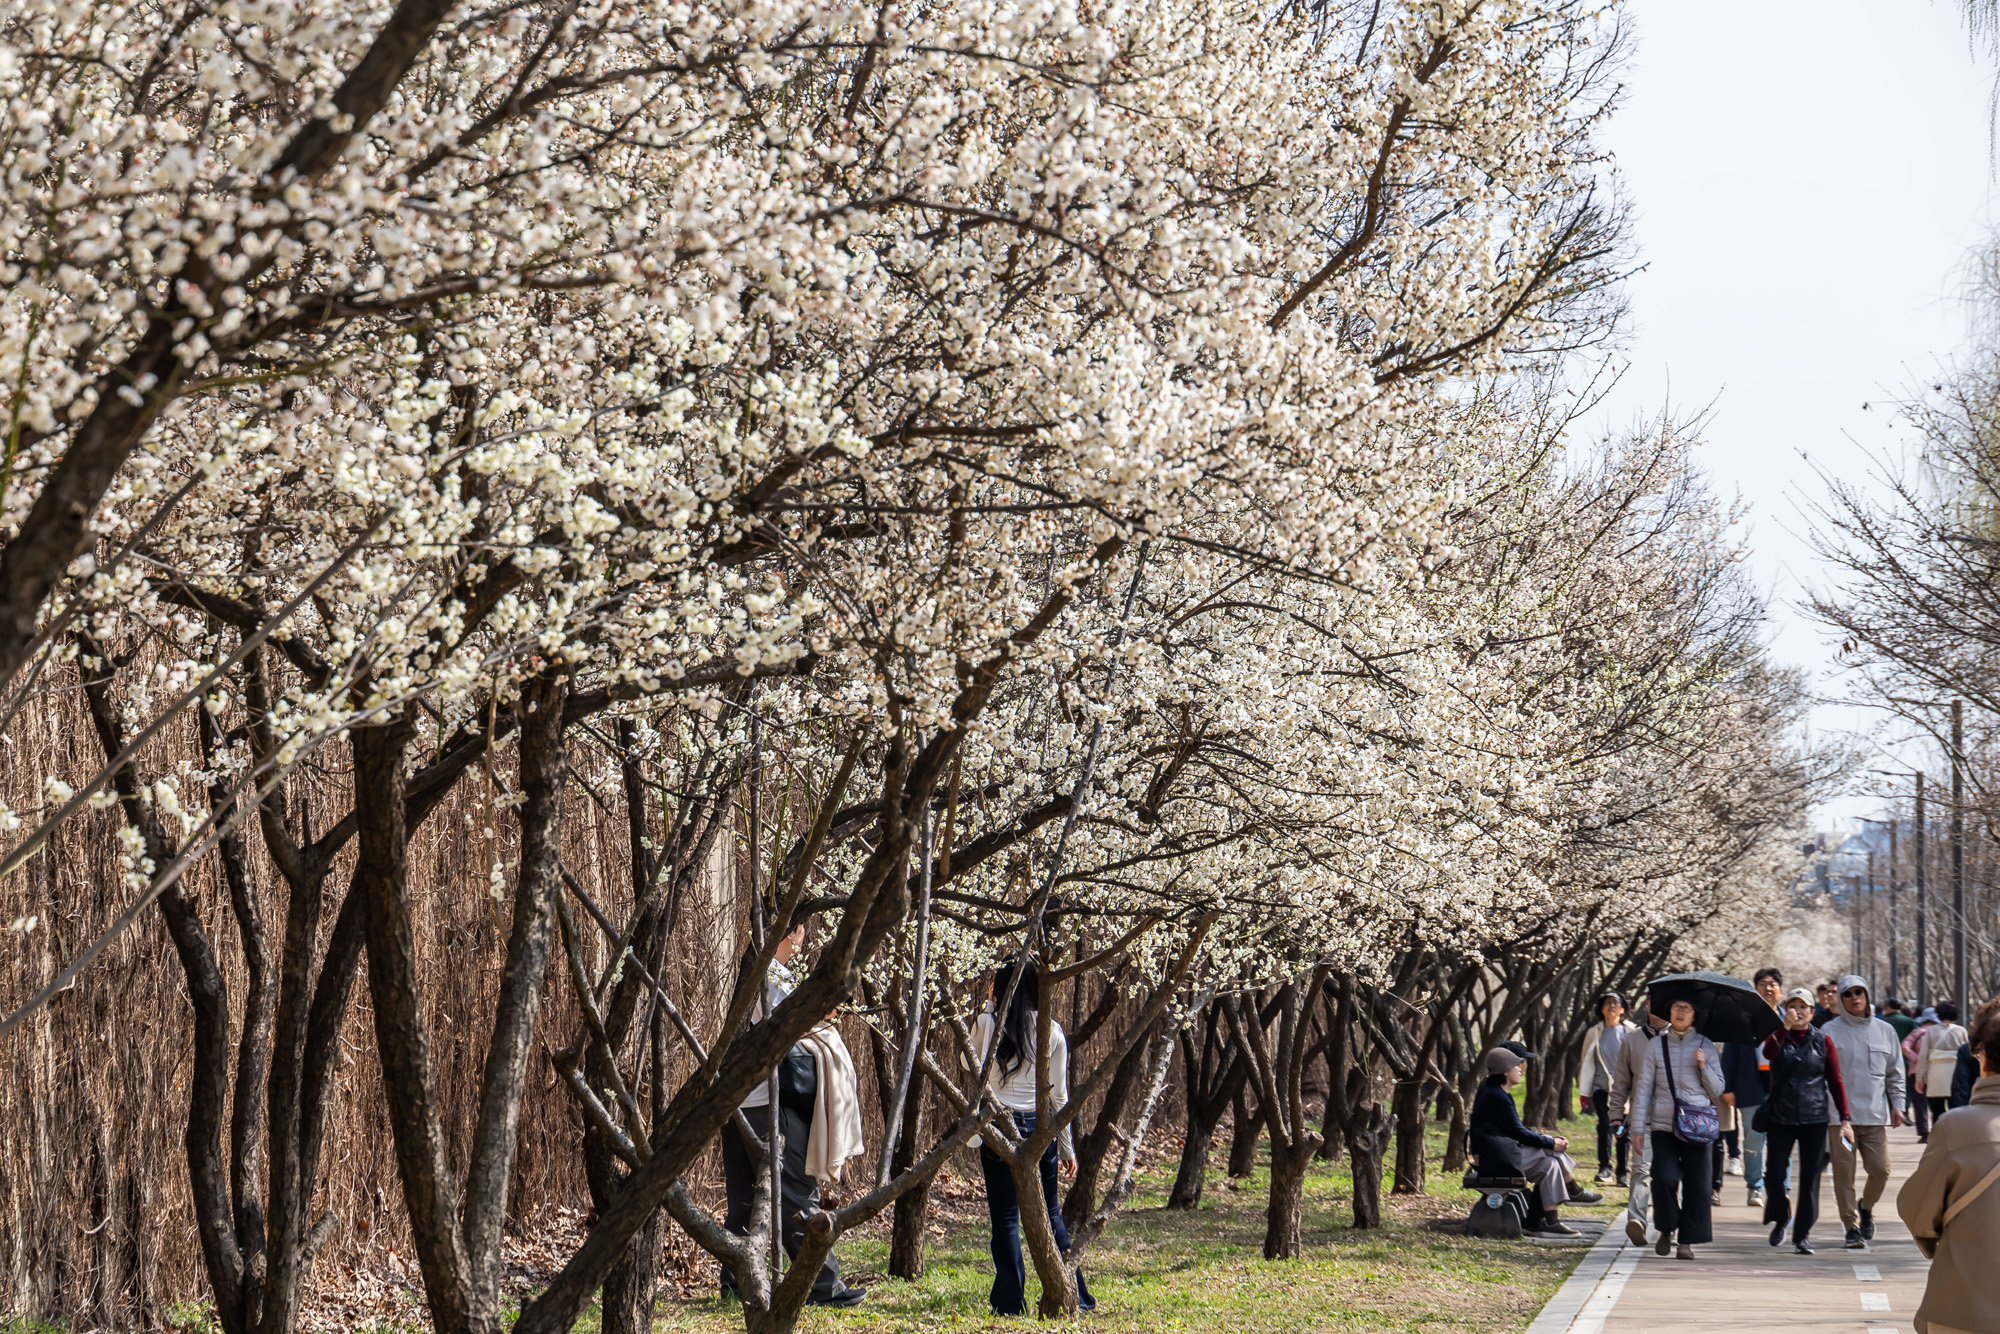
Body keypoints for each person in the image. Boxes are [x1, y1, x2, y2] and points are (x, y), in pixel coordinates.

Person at [719, 923, 868, 1307]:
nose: (804, 939)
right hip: (770, 1105)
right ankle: (822, 1286)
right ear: (792, 931)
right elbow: (795, 1026)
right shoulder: (772, 976)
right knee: (797, 1196)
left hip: (736, 1102)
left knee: (745, 1202)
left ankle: (735, 1286)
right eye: (801, 931)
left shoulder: (752, 971)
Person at [971, 956, 1094, 1316]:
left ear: (1000, 987)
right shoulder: (1051, 1030)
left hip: (996, 1127)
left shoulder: (986, 1022)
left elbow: (969, 1064)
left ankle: (1010, 1303)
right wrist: (1069, 1148)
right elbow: (1060, 1097)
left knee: (1006, 1218)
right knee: (1051, 1214)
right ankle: (1077, 1293)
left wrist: (989, 1008)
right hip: (1040, 1131)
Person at [1900, 996, 2000, 1334]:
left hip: (1963, 1308)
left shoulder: (1957, 1128)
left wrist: (1936, 1243)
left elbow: (1917, 1212)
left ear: (1982, 1059)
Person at [1761, 988, 1855, 1255]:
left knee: (1810, 1180)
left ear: (1813, 1013)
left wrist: (1845, 1118)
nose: (1798, 1011)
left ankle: (1802, 1235)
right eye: (1793, 1006)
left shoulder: (1822, 1042)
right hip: (1781, 1116)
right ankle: (1781, 1216)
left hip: (1814, 1117)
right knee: (1774, 1175)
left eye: (1804, 1007)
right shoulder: (1778, 1038)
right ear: (1786, 1010)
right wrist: (1784, 1028)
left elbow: (1835, 1081)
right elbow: (1768, 1054)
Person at [1631, 998, 1724, 1259]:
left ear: (1695, 1014)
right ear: (1668, 1011)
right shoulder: (1656, 1046)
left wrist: (1703, 1067)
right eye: (1676, 1007)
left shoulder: (1705, 1045)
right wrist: (1637, 1130)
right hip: (1664, 1125)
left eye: (1687, 1008)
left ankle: (1686, 1242)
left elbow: (1717, 1089)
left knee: (1698, 1185)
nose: (1681, 1012)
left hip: (1698, 1125)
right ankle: (1666, 1228)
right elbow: (1643, 1089)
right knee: (1663, 1178)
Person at [1822, 975, 1906, 1250]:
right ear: (1841, 1000)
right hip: (1840, 1120)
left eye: (1860, 992)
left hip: (1873, 1116)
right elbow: (1821, 1075)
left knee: (1880, 1171)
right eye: (1848, 994)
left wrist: (1898, 1104)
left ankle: (1866, 1207)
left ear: (1868, 995)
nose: (1855, 997)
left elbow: (1895, 1073)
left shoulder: (1885, 1031)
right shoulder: (1829, 1031)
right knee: (1844, 1175)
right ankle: (1851, 1226)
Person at [1471, 1046, 1587, 1234]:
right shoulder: (1496, 1096)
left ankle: (1546, 1220)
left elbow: (1516, 1131)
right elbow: (1519, 1132)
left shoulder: (1498, 1092)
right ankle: (1573, 1190)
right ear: (1505, 1071)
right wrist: (1551, 1143)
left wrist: (1549, 1142)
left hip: (1501, 1154)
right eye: (1516, 1065)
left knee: (1550, 1165)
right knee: (1550, 1151)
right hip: (1492, 1159)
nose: (1520, 1069)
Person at [1722, 967, 1782, 1208]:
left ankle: (1781, 1188)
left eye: (1772, 984)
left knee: (1781, 1142)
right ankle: (1755, 1186)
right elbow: (1730, 1054)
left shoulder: (1788, 1018)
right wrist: (1728, 1087)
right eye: (1762, 984)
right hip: (1751, 1086)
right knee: (1754, 1141)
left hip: (1781, 1090)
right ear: (1755, 989)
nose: (1768, 988)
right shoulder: (1743, 1019)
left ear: (1780, 989)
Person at [1579, 991, 1638, 1185]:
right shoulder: (1593, 1032)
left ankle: (1622, 1172)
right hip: (1601, 1087)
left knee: (1622, 1129)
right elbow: (1586, 1062)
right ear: (1601, 1009)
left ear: (1622, 1009)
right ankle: (1604, 1168)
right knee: (1604, 1125)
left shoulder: (1630, 1032)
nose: (1612, 1005)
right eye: (1607, 1003)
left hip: (1625, 1090)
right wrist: (1584, 1091)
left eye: (1616, 1003)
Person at [1918, 1003, 1970, 1126]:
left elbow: (1923, 1055)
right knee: (1957, 1108)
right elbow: (1968, 1053)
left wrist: (1919, 1077)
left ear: (1939, 1015)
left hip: (1936, 1074)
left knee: (1937, 1110)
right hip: (1956, 1073)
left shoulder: (1931, 1031)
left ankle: (1938, 1136)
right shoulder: (1961, 1031)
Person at [1907, 1006, 1942, 1141]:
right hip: (1937, 1071)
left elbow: (1905, 1046)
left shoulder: (1917, 1032)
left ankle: (1923, 1132)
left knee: (1919, 1103)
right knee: (1936, 1103)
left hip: (1916, 1072)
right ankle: (1938, 1130)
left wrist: (1916, 1058)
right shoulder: (1940, 1032)